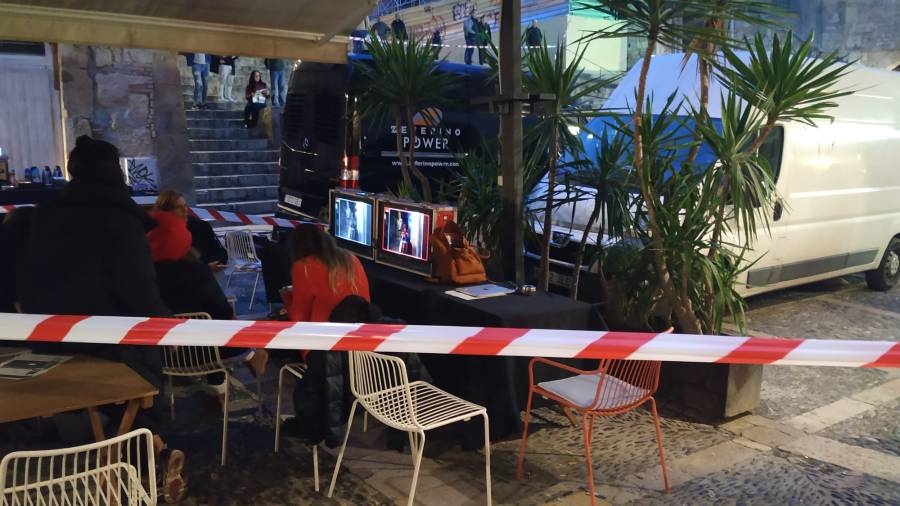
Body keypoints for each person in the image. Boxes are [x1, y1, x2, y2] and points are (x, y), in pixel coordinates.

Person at [15, 135, 186, 503]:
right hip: (109, 344)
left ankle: (148, 450)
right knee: (141, 383)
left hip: (45, 337)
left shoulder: (44, 216)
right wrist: (165, 324)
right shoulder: (120, 224)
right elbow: (139, 291)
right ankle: (146, 453)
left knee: (119, 400)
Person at [146, 209, 267, 402]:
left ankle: (224, 384)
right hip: (207, 353)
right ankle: (239, 374)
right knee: (227, 327)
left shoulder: (145, 273)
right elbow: (223, 312)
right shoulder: (195, 270)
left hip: (164, 357)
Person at [282, 224, 370, 323]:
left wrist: (287, 298)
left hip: (325, 332)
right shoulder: (351, 258)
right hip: (361, 328)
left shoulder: (303, 267)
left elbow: (299, 318)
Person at [154, 190, 228, 270]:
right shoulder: (156, 232)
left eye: (185, 205)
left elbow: (220, 253)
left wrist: (211, 263)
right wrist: (205, 267)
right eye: (178, 207)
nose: (184, 210)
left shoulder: (201, 226)